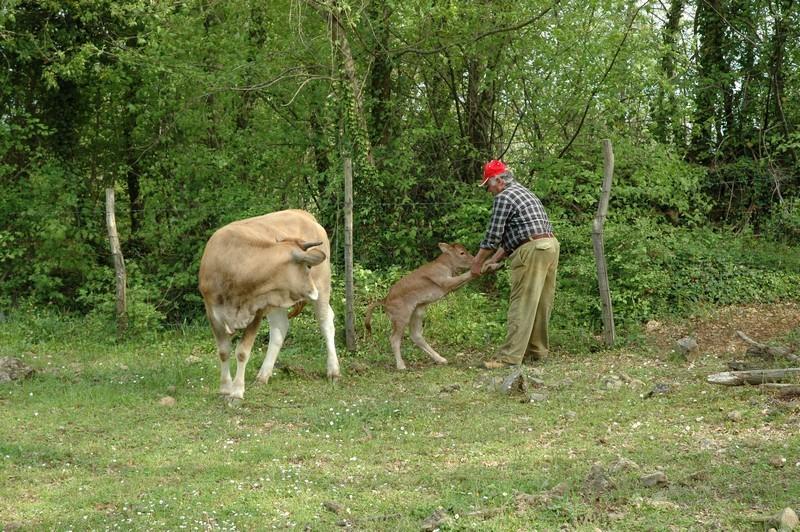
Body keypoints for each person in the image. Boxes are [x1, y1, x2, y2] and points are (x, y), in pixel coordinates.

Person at [470, 159, 560, 369]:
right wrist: (493, 260)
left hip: (532, 250)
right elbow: (519, 235)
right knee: (540, 302)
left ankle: (509, 358)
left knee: (522, 302)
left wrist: (477, 263)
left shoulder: (504, 197)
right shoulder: (523, 192)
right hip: (549, 245)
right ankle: (537, 351)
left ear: (499, 180)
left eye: (488, 185)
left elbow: (493, 236)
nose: (489, 190)